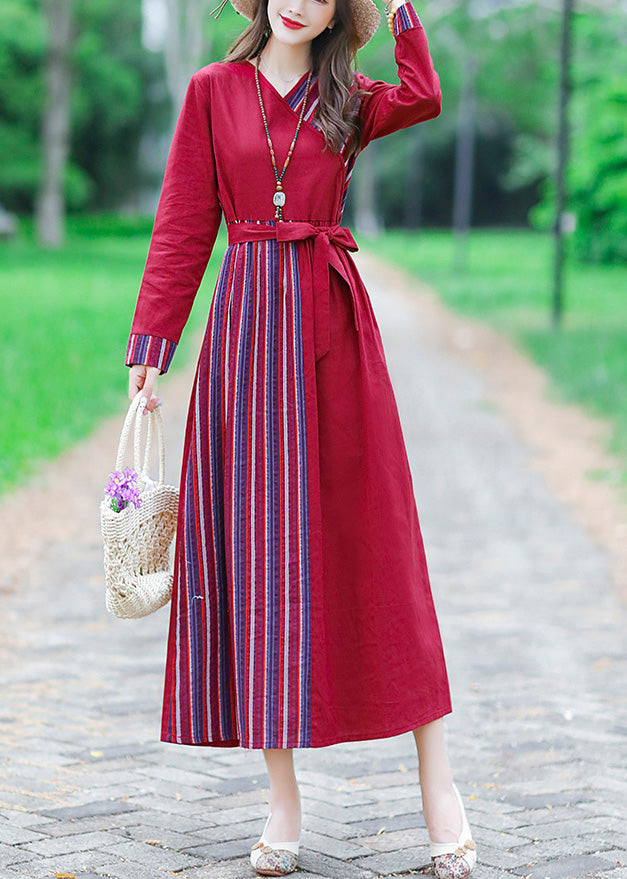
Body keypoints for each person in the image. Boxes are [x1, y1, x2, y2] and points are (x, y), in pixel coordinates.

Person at [125, 0, 477, 873]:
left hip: (332, 333)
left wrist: (400, 11)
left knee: (379, 545)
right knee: (254, 561)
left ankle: (439, 782)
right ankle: (282, 800)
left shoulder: (349, 96)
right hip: (243, 343)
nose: (298, 0)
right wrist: (153, 342)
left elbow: (425, 94)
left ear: (337, 8)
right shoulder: (213, 90)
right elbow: (181, 222)